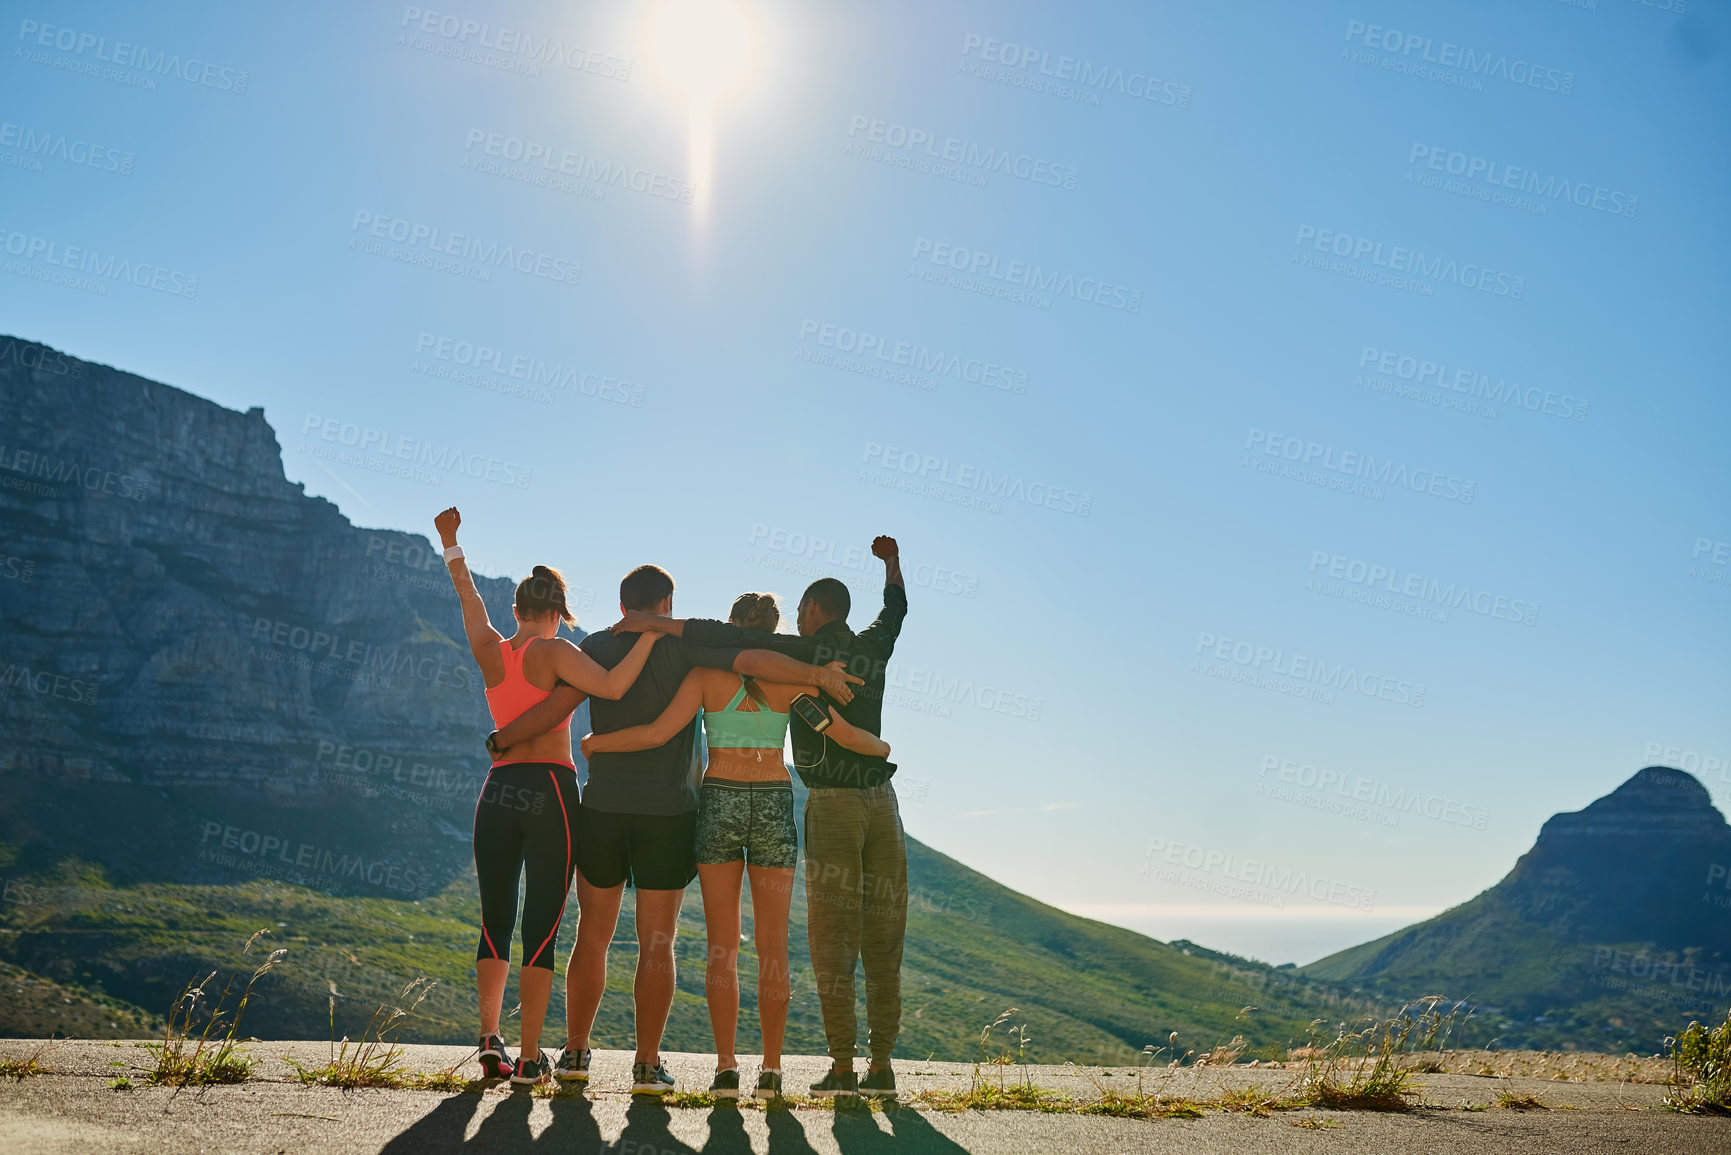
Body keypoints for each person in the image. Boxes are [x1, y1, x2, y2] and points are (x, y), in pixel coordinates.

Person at [486, 564, 862, 1095]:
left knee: (592, 936)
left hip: (604, 809)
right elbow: (751, 658)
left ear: (622, 608)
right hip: (669, 814)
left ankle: (574, 1053)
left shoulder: (593, 645)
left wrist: (503, 739)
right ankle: (645, 1064)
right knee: (656, 944)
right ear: (667, 606)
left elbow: (558, 708)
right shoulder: (689, 649)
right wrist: (817, 674)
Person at [618, 536, 907, 1100]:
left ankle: (737, 1066)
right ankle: (803, 1069)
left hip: (754, 798)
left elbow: (713, 659)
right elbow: (894, 609)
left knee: (747, 941)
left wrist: (651, 629)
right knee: (808, 942)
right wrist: (878, 746)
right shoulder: (830, 658)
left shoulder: (749, 666)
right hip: (821, 800)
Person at [434, 507, 665, 1086]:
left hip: (498, 790)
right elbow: (613, 685)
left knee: (494, 918)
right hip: (551, 791)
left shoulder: (493, 650)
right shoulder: (556, 653)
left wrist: (451, 542)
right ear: (559, 613)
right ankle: (531, 1058)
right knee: (542, 923)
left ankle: (491, 1039)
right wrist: (651, 637)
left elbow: (468, 600)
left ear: (516, 610)